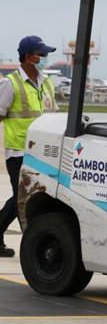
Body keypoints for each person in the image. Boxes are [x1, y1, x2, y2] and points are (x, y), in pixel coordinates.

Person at [0, 36, 58, 257]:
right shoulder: (10, 83)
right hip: (18, 152)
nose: (44, 59)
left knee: (26, 197)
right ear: (28, 57)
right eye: (41, 55)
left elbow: (53, 115)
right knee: (20, 198)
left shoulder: (46, 82)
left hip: (43, 152)